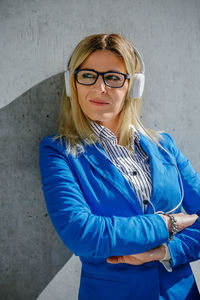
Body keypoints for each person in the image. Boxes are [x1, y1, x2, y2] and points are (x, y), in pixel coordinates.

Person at [39, 33, 200, 300]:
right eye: (88, 75)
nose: (99, 88)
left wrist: (167, 252)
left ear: (133, 86)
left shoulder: (164, 146)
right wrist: (168, 224)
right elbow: (82, 233)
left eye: (113, 78)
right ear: (73, 84)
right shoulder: (59, 151)